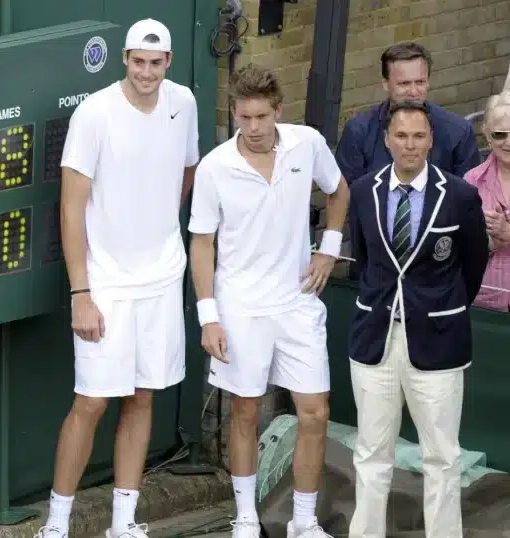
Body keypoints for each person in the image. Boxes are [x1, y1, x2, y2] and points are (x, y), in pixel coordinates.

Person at [34, 18, 199, 538]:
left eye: (156, 63)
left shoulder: (185, 103)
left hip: (161, 278)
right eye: (137, 61)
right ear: (124, 59)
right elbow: (71, 208)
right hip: (105, 285)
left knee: (145, 396)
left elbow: (186, 172)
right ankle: (56, 527)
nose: (146, 72)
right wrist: (81, 292)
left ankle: (124, 524)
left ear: (167, 62)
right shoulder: (95, 113)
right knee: (92, 401)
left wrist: (157, 228)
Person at [188, 63, 349, 538]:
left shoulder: (308, 143)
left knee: (315, 412)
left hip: (298, 302)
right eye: (244, 118)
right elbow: (202, 243)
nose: (253, 128)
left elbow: (339, 191)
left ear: (278, 111)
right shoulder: (216, 166)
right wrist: (208, 318)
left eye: (261, 117)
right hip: (240, 307)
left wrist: (328, 250)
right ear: (235, 114)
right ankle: (243, 518)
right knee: (244, 410)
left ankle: (303, 521)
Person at [346, 100, 489, 538]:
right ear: (387, 140)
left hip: (439, 341)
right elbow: (366, 261)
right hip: (375, 338)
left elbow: (473, 263)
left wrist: (442, 309)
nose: (410, 145)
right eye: (401, 136)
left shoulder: (460, 194)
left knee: (443, 457)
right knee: (371, 454)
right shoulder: (365, 189)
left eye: (419, 136)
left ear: (432, 140)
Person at [336, 42, 482, 184]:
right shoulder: (358, 132)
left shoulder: (458, 131)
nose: (413, 92)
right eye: (404, 84)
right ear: (385, 84)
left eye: (420, 82)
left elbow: (468, 198)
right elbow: (346, 196)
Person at [464, 89, 510, 312]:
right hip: (484, 303)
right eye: (500, 134)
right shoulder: (472, 181)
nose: (508, 143)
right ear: (486, 134)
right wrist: (485, 241)